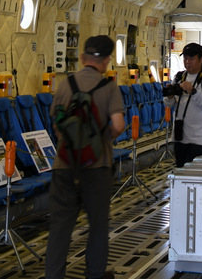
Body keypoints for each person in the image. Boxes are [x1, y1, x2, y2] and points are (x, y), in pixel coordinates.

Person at [45, 35, 126, 279]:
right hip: (97, 167)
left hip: (64, 166)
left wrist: (72, 142)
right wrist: (101, 140)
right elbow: (118, 125)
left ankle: (53, 276)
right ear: (107, 61)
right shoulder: (109, 88)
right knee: (98, 225)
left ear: (82, 58)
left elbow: (56, 123)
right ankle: (95, 274)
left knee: (60, 225)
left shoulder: (64, 85)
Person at [164, 42, 202, 167]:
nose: (187, 62)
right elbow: (169, 104)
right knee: (180, 169)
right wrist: (169, 96)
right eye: (185, 59)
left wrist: (193, 91)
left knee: (192, 170)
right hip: (180, 135)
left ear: (201, 60)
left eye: (191, 59)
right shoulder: (179, 77)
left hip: (199, 137)